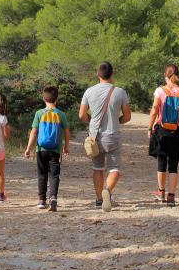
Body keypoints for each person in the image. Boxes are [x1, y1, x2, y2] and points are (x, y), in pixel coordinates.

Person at [79, 61, 132, 212]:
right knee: (114, 169)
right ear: (112, 74)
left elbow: (82, 114)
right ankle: (107, 191)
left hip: (94, 137)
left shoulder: (89, 91)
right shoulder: (120, 92)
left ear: (98, 74)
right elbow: (127, 117)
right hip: (113, 135)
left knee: (97, 168)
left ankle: (98, 200)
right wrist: (117, 120)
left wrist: (92, 122)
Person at [148, 64, 179, 206]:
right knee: (173, 165)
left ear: (165, 75)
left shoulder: (160, 91)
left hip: (162, 131)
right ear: (177, 75)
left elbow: (155, 109)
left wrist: (150, 127)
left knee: (161, 162)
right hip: (177, 131)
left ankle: (160, 192)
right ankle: (171, 196)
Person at [24, 86, 70, 212]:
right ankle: (53, 197)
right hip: (55, 150)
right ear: (57, 99)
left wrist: (28, 148)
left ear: (43, 98)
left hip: (41, 150)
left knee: (42, 174)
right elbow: (66, 132)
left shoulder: (39, 113)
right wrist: (66, 147)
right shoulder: (61, 114)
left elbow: (34, 132)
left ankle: (41, 200)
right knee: (54, 175)